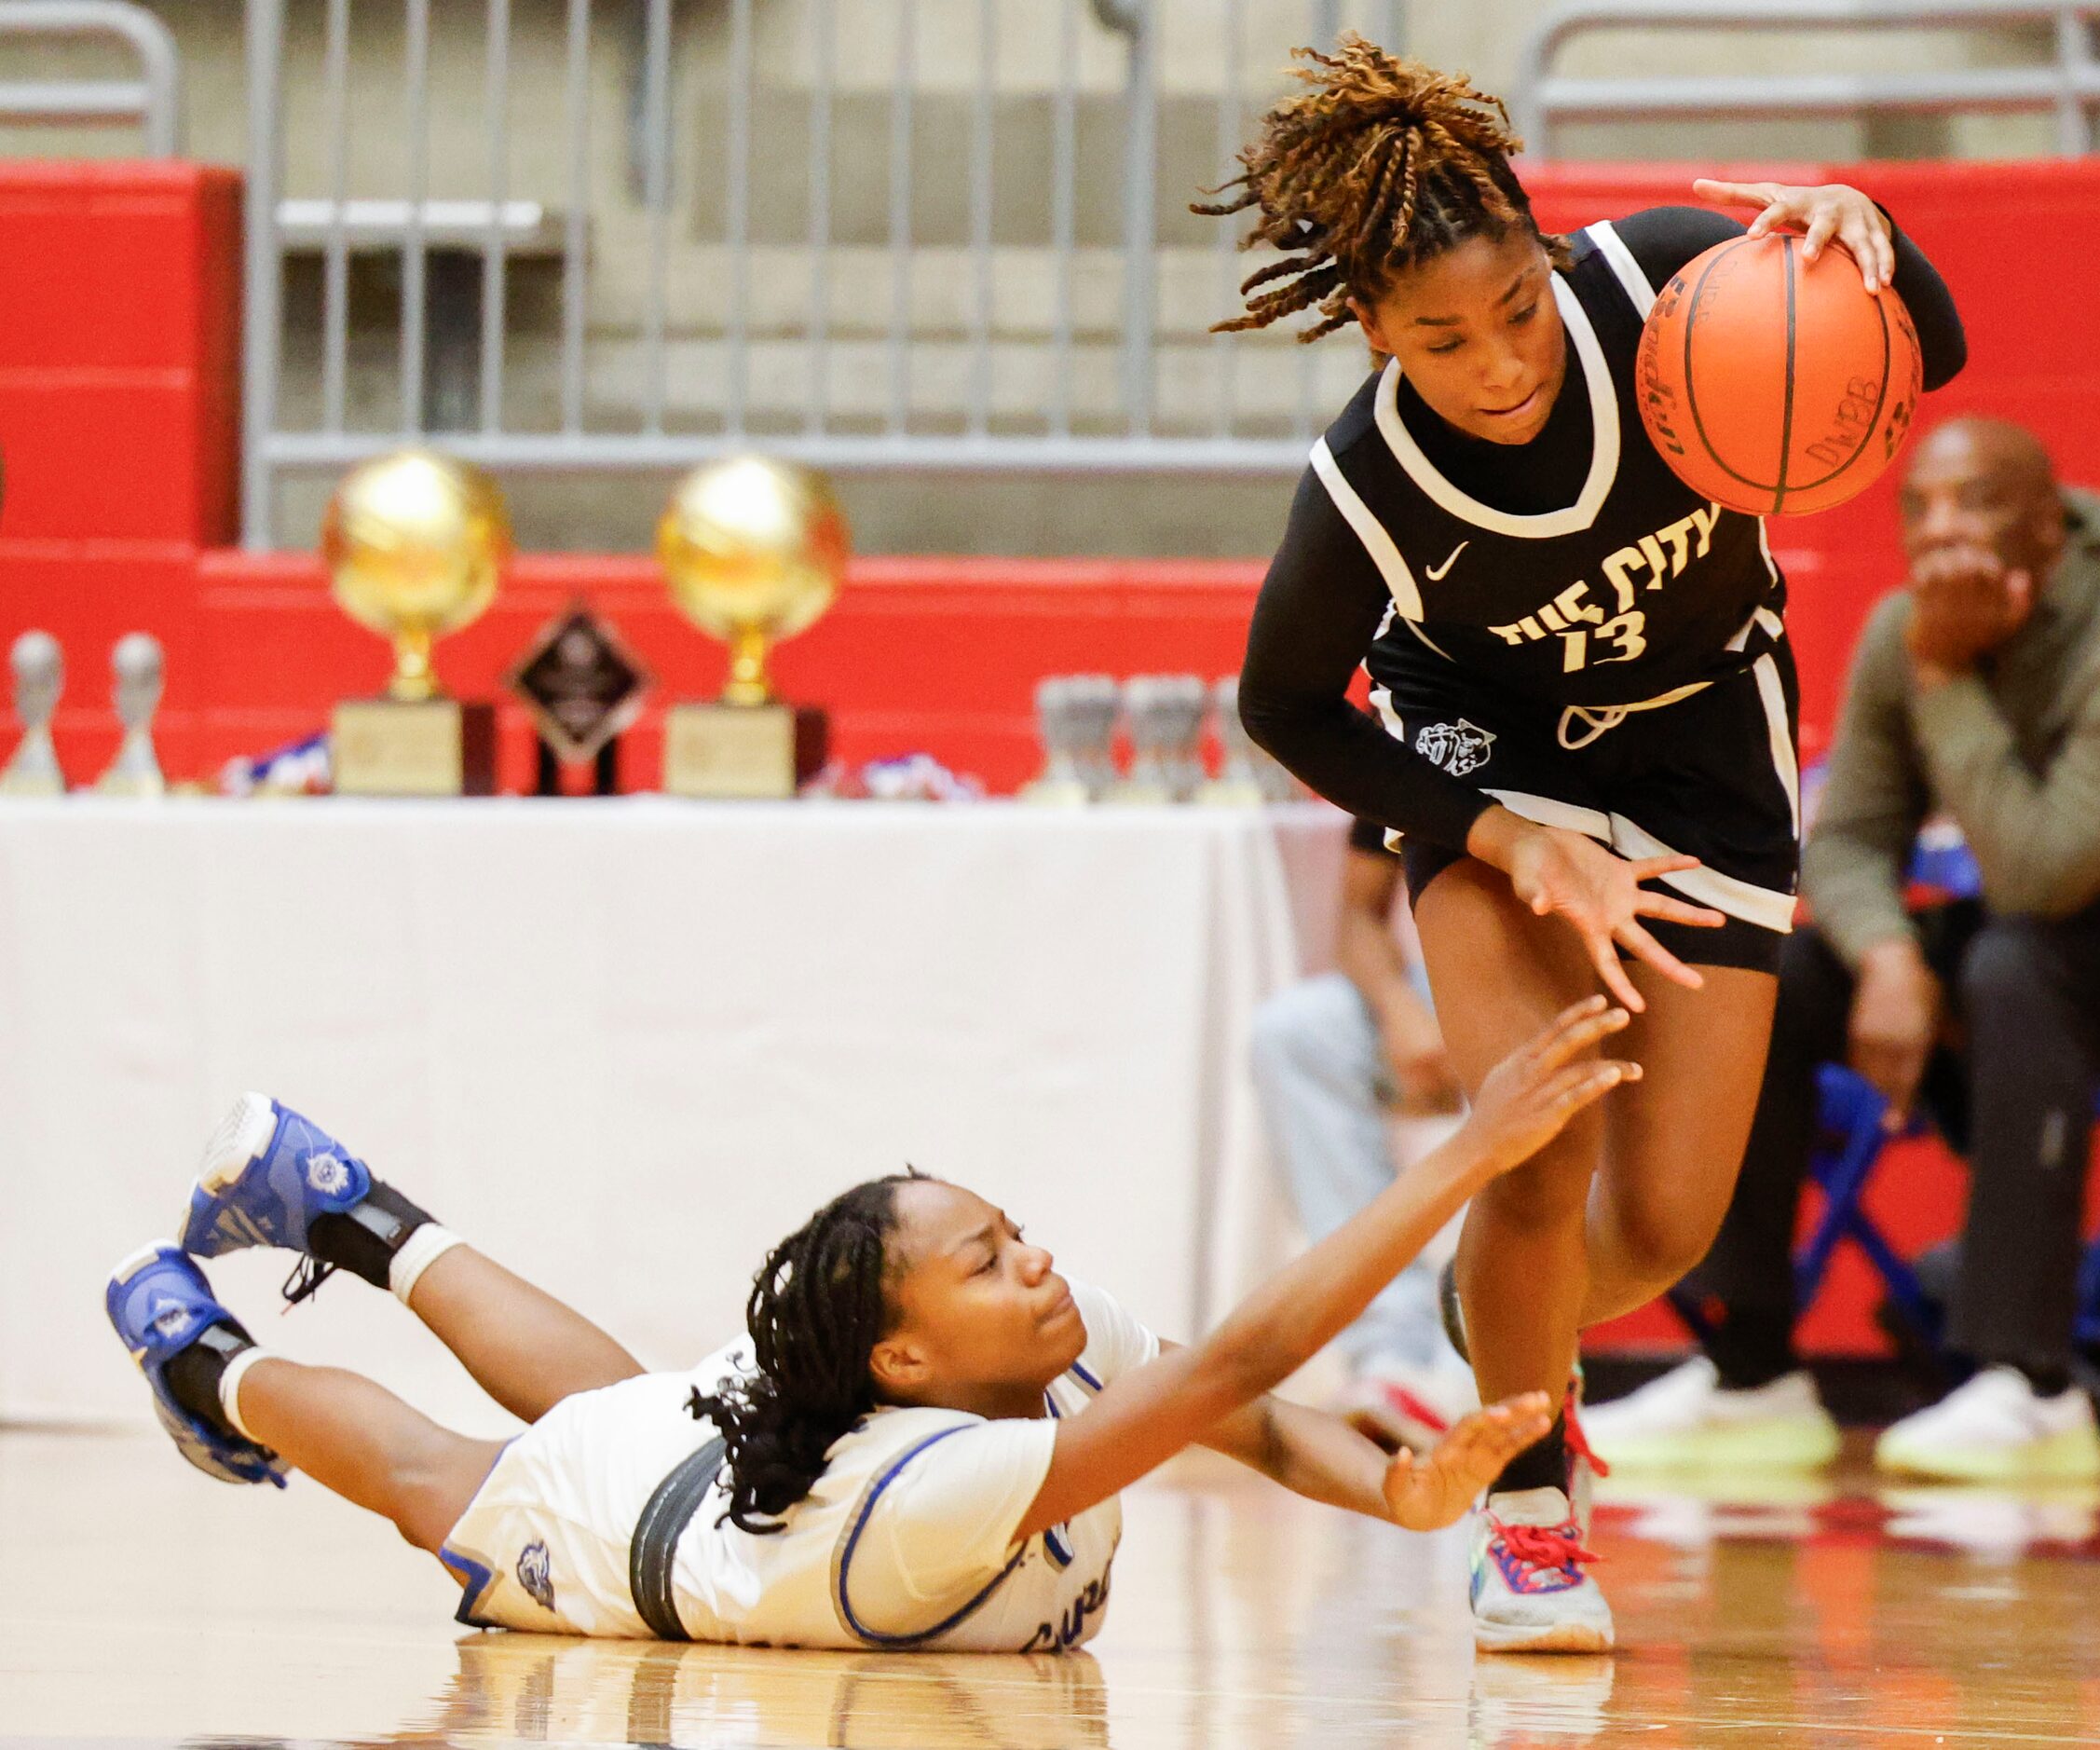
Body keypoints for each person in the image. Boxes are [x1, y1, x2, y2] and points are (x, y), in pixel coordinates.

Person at [1209, 36, 1966, 1651]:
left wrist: (1864, 237)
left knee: (1662, 1226)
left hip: (1706, 754)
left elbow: (1937, 351)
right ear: (1368, 330)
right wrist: (1495, 835)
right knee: (1536, 1145)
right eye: (1439, 341)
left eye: (1515, 312)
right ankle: (1532, 1513)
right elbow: (1284, 705)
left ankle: (1485, 1313)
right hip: (1493, 770)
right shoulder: (1366, 486)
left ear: (1554, 258)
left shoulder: (1679, 288)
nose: (1496, 364)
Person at [107, 1001, 1634, 1650]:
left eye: (1013, 1232)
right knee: (446, 1474)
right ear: (903, 1358)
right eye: (988, 1257)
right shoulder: (940, 1486)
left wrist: (1399, 1487)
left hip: (703, 1476)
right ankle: (202, 1355)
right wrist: (1465, 1151)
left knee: (625, 1408)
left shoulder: (1042, 1337)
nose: (1036, 1262)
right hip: (638, 1546)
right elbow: (1242, 1364)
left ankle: (345, 1202)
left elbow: (1253, 1416)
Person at [1585, 418, 2100, 1482]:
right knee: (1785, 974)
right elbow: (1845, 838)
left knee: (2012, 960)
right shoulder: (1905, 627)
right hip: (2024, 956)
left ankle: (2028, 1387)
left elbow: (2043, 874)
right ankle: (1752, 1370)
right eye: (1917, 506)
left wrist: (1946, 679)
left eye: (1973, 501)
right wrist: (1888, 956)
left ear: (2046, 521)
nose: (1939, 530)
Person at [1250, 814, 1476, 1450]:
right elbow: (1356, 915)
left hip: (1603, 978)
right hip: (1453, 984)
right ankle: (1393, 1356)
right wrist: (1399, 1011)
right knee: (1296, 1035)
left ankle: (1493, 1357)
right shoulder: (1402, 725)